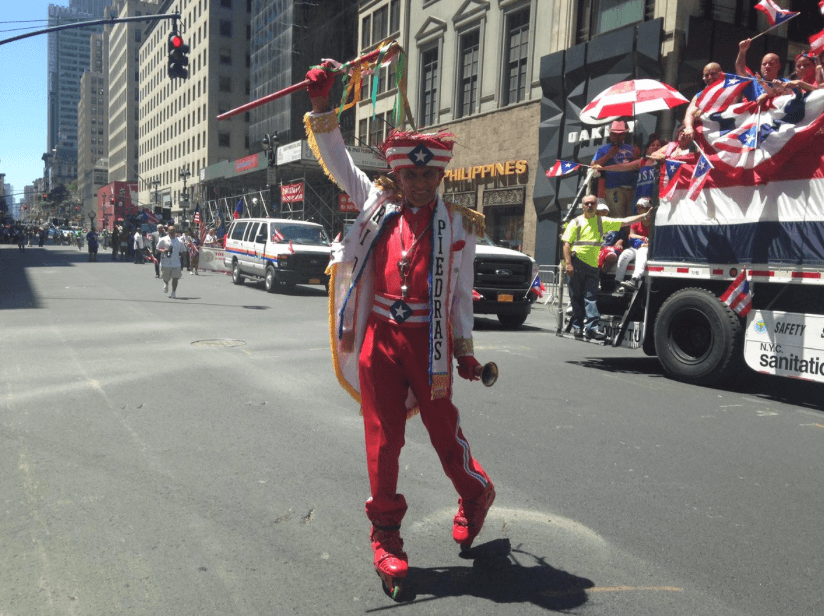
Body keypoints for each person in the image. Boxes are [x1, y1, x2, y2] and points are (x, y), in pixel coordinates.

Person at [304, 63, 495, 597]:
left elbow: (459, 294)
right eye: (408, 175)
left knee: (442, 432)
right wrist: (323, 109)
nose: (416, 183)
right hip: (380, 339)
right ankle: (385, 536)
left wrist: (464, 350)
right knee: (382, 439)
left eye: (427, 175)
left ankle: (475, 492)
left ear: (440, 176)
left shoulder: (458, 224)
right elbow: (340, 163)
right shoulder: (375, 204)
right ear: (396, 175)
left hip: (429, 344)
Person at [562, 195, 653, 340]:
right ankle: (578, 327)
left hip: (592, 265)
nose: (590, 206)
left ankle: (591, 328)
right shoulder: (576, 222)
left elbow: (623, 221)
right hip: (577, 263)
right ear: (583, 206)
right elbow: (566, 244)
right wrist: (568, 264)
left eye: (592, 203)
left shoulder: (601, 222)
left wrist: (643, 216)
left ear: (596, 206)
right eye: (587, 204)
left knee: (591, 298)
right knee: (576, 297)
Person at [591, 134, 664, 211]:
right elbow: (623, 167)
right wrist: (603, 168)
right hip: (640, 196)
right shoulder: (642, 162)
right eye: (652, 145)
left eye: (658, 145)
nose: (655, 147)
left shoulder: (663, 163)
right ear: (647, 149)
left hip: (656, 197)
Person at [590, 120, 640, 218]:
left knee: (631, 219)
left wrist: (636, 157)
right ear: (610, 135)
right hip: (613, 189)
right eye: (615, 134)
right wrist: (608, 155)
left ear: (624, 135)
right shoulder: (603, 150)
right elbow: (593, 165)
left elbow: (637, 168)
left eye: (620, 134)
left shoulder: (632, 148)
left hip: (631, 189)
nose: (618, 137)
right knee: (618, 220)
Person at [614, 197, 653, 294]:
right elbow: (631, 235)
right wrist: (642, 238)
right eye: (638, 207)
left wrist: (646, 243)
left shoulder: (653, 222)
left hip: (647, 248)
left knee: (642, 253)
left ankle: (635, 280)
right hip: (636, 246)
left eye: (641, 207)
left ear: (648, 209)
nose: (638, 209)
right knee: (625, 255)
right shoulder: (637, 220)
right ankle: (618, 282)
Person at [156, 225, 185, 298]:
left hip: (176, 263)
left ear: (175, 232)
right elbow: (157, 248)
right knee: (166, 278)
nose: (172, 232)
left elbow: (183, 251)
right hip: (165, 262)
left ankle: (173, 292)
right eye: (170, 231)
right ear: (168, 231)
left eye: (173, 231)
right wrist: (163, 250)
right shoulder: (163, 239)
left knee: (175, 278)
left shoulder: (179, 241)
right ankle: (166, 283)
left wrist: (183, 262)